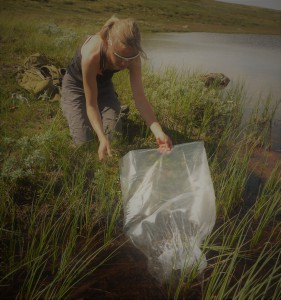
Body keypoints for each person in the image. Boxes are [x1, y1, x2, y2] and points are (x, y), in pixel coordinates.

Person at [61, 16, 173, 160]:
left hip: (103, 87)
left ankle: (108, 116)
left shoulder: (133, 57)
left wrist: (158, 131)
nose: (124, 64)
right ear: (109, 43)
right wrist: (101, 138)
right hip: (75, 86)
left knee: (113, 138)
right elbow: (91, 105)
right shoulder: (92, 56)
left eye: (129, 59)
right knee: (85, 144)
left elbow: (140, 99)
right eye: (119, 57)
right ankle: (70, 105)